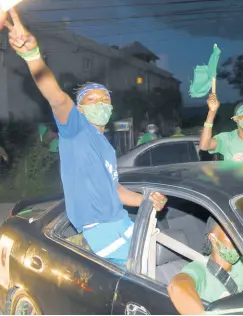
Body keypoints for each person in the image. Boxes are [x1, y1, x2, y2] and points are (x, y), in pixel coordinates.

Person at [3, 9, 168, 265]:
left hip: (122, 221)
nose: (100, 102)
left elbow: (115, 190)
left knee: (161, 266)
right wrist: (32, 55)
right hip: (101, 231)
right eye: (92, 99)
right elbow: (56, 97)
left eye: (105, 99)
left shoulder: (106, 146)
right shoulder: (76, 129)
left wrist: (147, 200)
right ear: (80, 109)